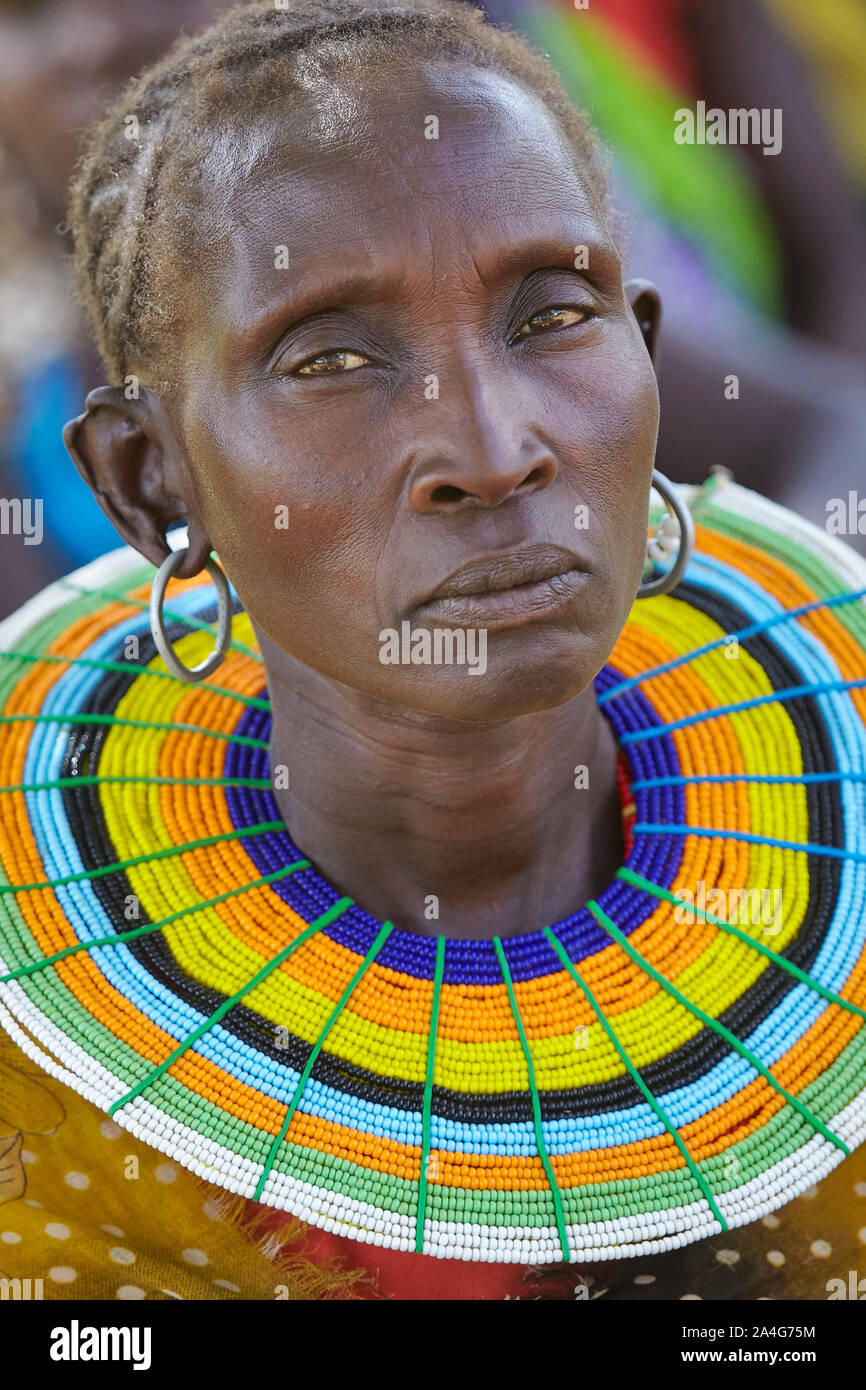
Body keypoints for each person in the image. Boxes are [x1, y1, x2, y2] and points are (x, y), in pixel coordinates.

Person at [0, 0, 865, 1301]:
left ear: (644, 352)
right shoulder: (46, 1086)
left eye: (549, 317)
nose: (490, 445)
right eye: (332, 356)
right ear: (147, 482)